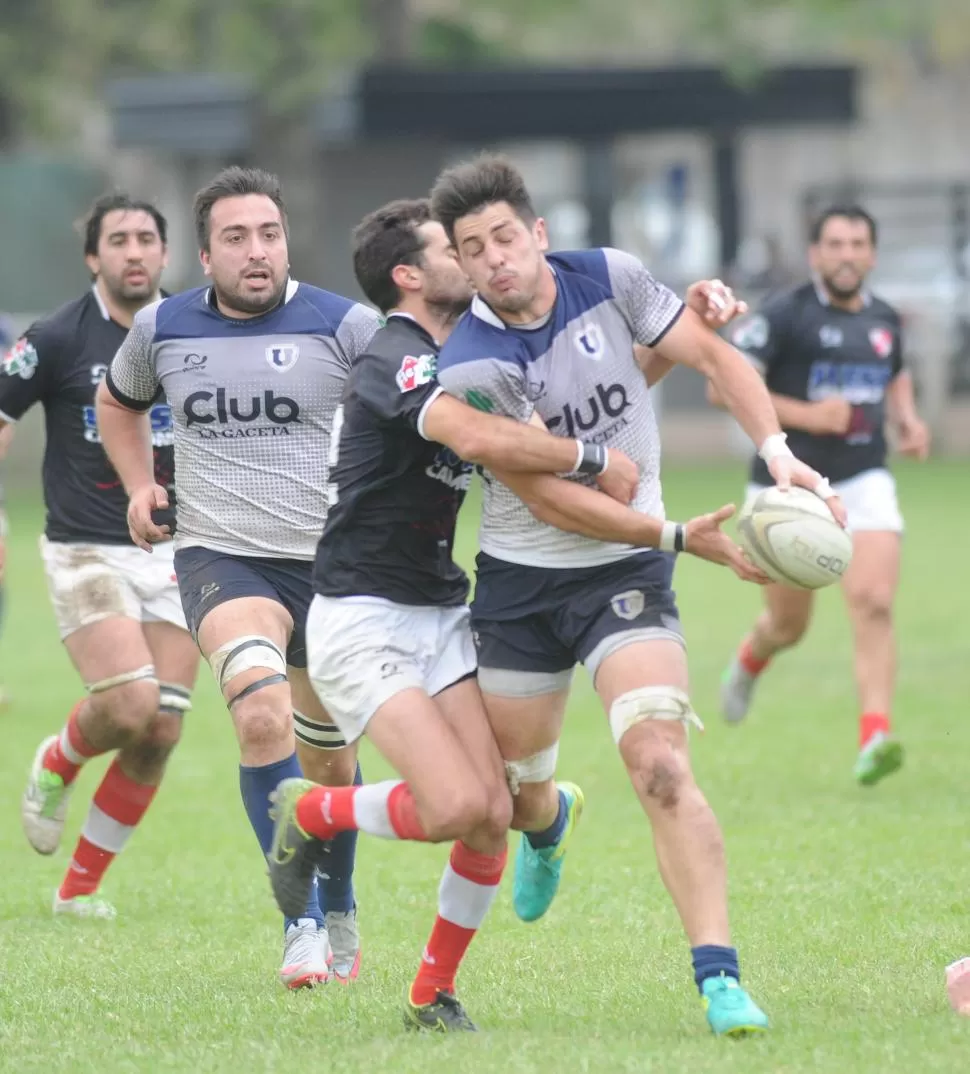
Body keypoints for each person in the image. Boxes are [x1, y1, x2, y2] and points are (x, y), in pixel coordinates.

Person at [265, 197, 766, 1032]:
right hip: (362, 618)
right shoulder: (397, 358)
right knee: (463, 808)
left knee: (500, 808)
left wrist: (672, 340)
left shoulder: (465, 349)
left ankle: (431, 994)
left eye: (494, 240)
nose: (481, 261)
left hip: (440, 608)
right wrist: (597, 459)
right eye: (455, 249)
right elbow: (487, 441)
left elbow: (592, 391)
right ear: (410, 275)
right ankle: (312, 808)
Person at [416, 154, 848, 1036]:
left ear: (537, 233)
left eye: (506, 236)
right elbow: (548, 498)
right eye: (473, 248)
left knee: (658, 762)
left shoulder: (610, 276)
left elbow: (713, 358)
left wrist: (778, 457)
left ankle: (719, 978)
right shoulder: (470, 361)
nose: (495, 258)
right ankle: (550, 826)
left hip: (626, 577)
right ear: (460, 265)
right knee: (518, 791)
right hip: (524, 584)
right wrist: (682, 537)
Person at [96, 167, 379, 988]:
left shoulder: (346, 325)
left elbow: (424, 404)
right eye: (236, 237)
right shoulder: (163, 327)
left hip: (333, 566)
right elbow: (118, 403)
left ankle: (340, 896)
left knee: (330, 763)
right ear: (205, 251)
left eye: (269, 234)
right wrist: (143, 480)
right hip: (223, 557)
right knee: (261, 717)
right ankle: (298, 926)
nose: (257, 252)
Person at [3, 194, 199, 919]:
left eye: (147, 237)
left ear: (165, 252)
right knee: (128, 703)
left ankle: (78, 891)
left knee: (162, 728)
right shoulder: (55, 336)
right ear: (95, 258)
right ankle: (58, 760)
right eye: (118, 239)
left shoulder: (192, 333)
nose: (135, 251)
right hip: (86, 547)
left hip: (181, 550)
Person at [711, 205, 930, 787]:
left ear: (872, 254)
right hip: (788, 488)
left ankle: (874, 734)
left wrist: (907, 419)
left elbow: (896, 370)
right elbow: (720, 385)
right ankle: (752, 658)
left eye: (858, 243)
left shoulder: (885, 320)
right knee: (789, 625)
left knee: (875, 602)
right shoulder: (783, 315)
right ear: (815, 254)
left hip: (864, 478)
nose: (847, 254)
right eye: (835, 244)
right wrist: (811, 415)